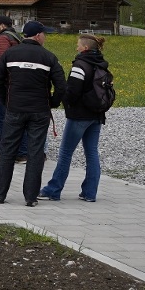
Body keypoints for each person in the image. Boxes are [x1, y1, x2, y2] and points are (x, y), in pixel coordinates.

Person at [0, 21, 65, 207]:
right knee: (35, 153)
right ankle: (30, 197)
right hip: (39, 111)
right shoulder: (49, 57)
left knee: (7, 150)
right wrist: (52, 103)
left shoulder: (10, 54)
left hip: (14, 108)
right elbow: (62, 86)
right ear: (38, 35)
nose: (45, 37)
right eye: (44, 34)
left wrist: (7, 101)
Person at [40, 34, 109, 203]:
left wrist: (63, 101)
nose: (76, 47)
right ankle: (90, 193)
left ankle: (53, 190)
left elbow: (72, 92)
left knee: (65, 153)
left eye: (78, 45)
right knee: (91, 153)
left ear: (85, 48)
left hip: (79, 116)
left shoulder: (80, 65)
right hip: (96, 115)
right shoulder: (101, 64)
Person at [0, 14, 26, 165]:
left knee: (0, 118)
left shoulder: (2, 38)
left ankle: (4, 153)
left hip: (4, 84)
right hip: (17, 83)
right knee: (18, 120)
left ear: (2, 26)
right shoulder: (17, 37)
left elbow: (4, 58)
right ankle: (22, 153)